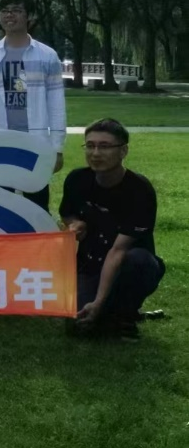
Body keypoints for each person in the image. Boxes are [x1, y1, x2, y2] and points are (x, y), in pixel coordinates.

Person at [60, 119, 164, 339]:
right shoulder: (77, 179)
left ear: (123, 151)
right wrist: (75, 224)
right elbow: (67, 213)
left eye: (104, 146)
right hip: (89, 264)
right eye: (90, 146)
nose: (95, 153)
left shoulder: (140, 190)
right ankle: (110, 315)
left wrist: (98, 302)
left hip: (125, 263)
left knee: (140, 261)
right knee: (78, 326)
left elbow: (118, 251)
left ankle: (124, 315)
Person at [0, 0, 66, 209]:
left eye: (16, 10)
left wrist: (57, 146)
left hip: (34, 141)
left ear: (29, 16)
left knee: (37, 203)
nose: (9, 15)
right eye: (4, 11)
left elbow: (56, 102)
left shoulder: (47, 56)